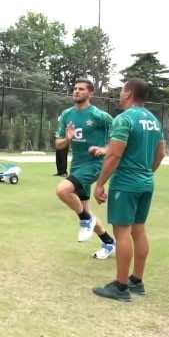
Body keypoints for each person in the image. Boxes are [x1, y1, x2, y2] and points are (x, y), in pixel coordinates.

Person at [91, 78, 166, 302]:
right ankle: (137, 280)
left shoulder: (124, 119)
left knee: (122, 233)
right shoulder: (153, 120)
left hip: (125, 184)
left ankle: (121, 287)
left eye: (122, 90)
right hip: (146, 182)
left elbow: (114, 154)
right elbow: (160, 154)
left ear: (129, 93)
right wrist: (146, 173)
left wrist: (101, 183)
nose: (120, 94)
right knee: (139, 230)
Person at [55, 79, 116, 259]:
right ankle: (109, 243)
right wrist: (67, 139)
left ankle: (85, 220)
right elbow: (58, 144)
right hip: (77, 164)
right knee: (84, 208)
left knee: (62, 190)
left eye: (81, 89)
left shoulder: (99, 115)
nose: (76, 91)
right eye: (75, 89)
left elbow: (119, 135)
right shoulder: (67, 114)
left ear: (90, 94)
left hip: (94, 164)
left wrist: (104, 149)